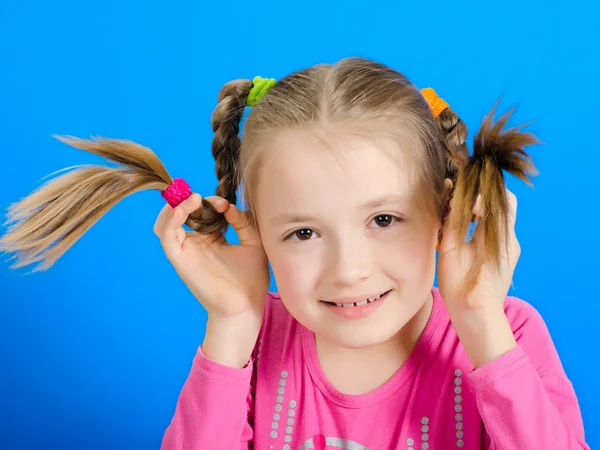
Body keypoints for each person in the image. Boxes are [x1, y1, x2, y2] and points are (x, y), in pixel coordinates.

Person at [0, 57, 589, 449]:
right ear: (257, 234)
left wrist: (483, 324)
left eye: (383, 219)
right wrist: (230, 324)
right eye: (303, 233)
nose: (348, 269)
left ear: (446, 212)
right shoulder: (251, 345)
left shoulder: (504, 336)